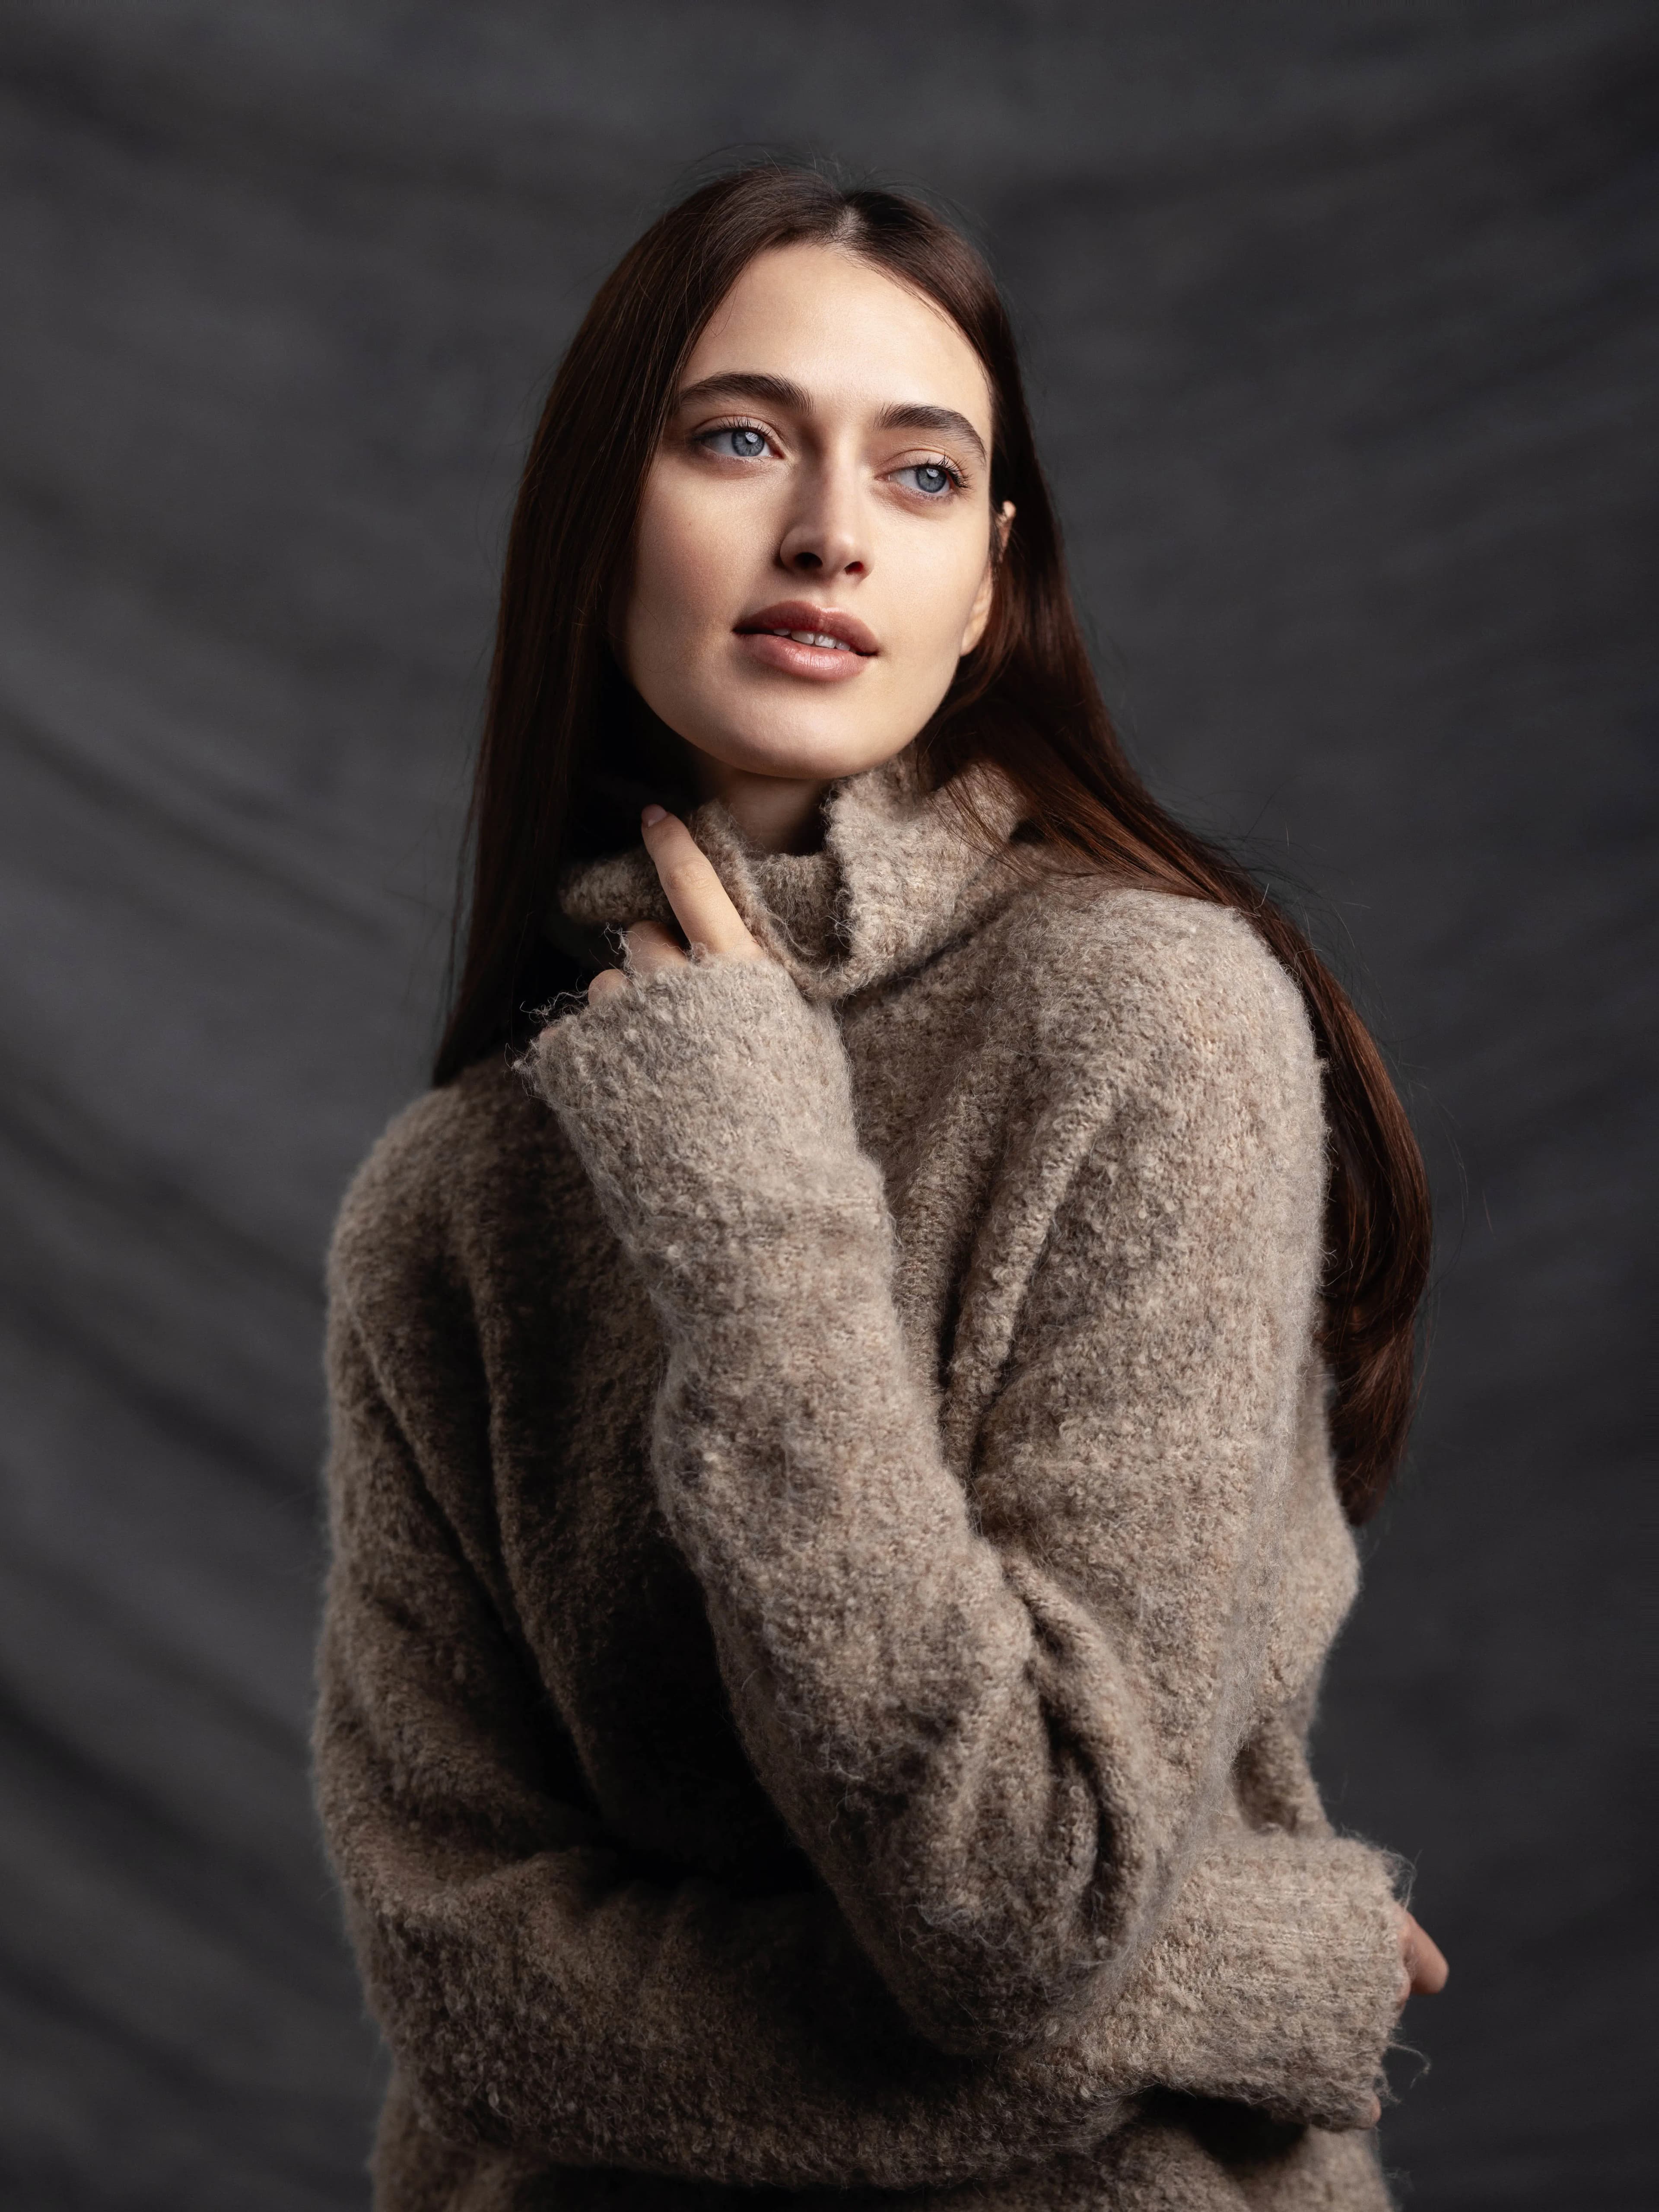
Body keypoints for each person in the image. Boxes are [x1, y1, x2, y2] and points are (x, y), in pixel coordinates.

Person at [313, 164, 1448, 2212]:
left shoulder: (1149, 1019)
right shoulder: (448, 1198)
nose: (831, 528)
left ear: (992, 581)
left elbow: (1020, 1903)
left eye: (923, 474)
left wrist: (748, 1188)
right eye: (741, 439)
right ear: (597, 514)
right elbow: (468, 1989)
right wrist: (1255, 1972)